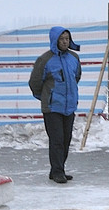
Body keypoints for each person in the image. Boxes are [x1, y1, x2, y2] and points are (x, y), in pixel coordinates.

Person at [29, 25, 82, 184]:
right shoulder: (45, 60)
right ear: (55, 40)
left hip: (69, 106)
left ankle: (57, 170)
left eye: (67, 39)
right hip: (52, 107)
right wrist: (46, 97)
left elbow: (76, 77)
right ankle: (58, 171)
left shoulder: (74, 58)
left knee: (66, 139)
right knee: (57, 139)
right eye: (62, 39)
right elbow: (35, 83)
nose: (65, 42)